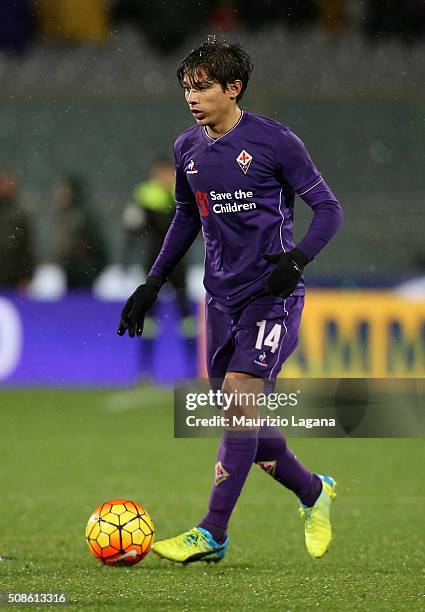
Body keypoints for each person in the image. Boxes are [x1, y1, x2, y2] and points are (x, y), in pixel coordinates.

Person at [118, 39, 343, 563]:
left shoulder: (276, 142)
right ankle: (314, 490)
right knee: (240, 422)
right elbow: (186, 217)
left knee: (241, 399)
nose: (191, 98)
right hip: (219, 299)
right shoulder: (186, 150)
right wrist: (153, 282)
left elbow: (329, 210)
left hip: (271, 295)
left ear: (233, 88)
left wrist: (298, 258)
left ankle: (212, 532)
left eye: (202, 87)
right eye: (187, 88)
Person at [122, 157, 190, 319]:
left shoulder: (182, 188)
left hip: (178, 255)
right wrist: (126, 258)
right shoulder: (145, 193)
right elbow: (132, 226)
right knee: (151, 296)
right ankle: (149, 336)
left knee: (182, 297)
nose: (164, 176)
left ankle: (189, 337)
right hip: (154, 252)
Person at [52, 175, 107, 289]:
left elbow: (98, 245)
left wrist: (90, 268)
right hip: (71, 272)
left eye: (65, 191)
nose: (61, 195)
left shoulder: (83, 215)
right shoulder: (67, 214)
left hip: (84, 273)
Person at [0, 164, 34, 288]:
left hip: (11, 278)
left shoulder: (19, 214)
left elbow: (27, 247)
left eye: (6, 181)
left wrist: (27, 276)